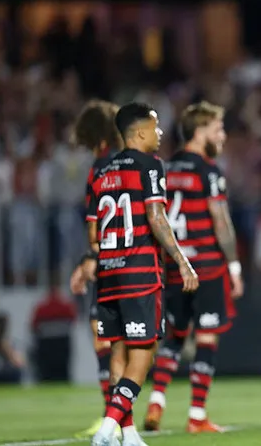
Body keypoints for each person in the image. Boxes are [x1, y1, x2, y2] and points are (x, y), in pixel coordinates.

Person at [77, 102, 199, 446]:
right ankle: (106, 430)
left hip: (108, 275)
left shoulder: (100, 171)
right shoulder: (150, 165)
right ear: (141, 132)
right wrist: (182, 261)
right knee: (143, 356)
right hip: (140, 273)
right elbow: (157, 217)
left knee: (118, 352)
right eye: (156, 127)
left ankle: (127, 433)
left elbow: (92, 234)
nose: (160, 134)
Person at [144, 102, 244, 433]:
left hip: (175, 265)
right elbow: (221, 221)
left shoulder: (165, 168)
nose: (223, 135)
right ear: (200, 132)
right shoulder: (209, 170)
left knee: (174, 336)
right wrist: (234, 266)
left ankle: (157, 398)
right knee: (206, 337)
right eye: (218, 129)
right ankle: (197, 415)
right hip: (207, 266)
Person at [68, 100, 126, 438]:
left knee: (104, 338)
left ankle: (113, 416)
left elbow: (100, 223)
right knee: (111, 340)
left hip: (107, 260)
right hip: (127, 258)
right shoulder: (121, 162)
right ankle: (114, 416)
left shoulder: (99, 167)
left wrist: (88, 259)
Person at [0, 312, 25, 384]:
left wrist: (5, 347)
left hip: (6, 374)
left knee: (17, 372)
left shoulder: (11, 342)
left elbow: (19, 363)